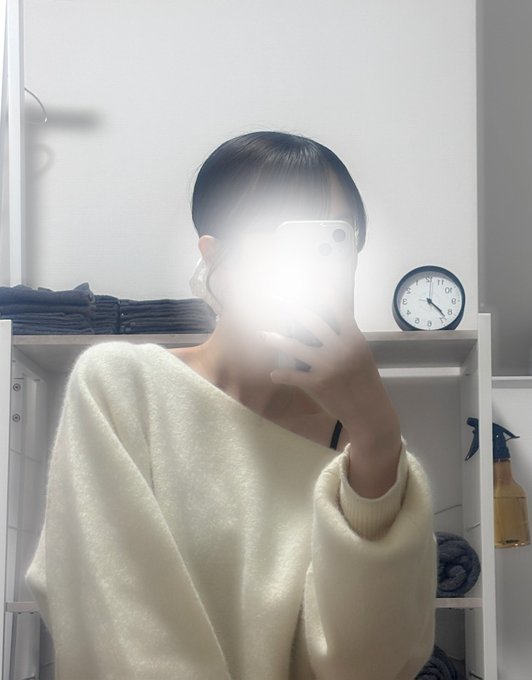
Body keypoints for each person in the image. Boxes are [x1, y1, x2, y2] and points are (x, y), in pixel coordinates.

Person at [25, 130, 437, 679]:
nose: (308, 263)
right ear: (214, 255)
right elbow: (115, 630)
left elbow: (371, 666)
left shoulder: (367, 452)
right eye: (279, 233)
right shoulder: (122, 388)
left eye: (333, 237)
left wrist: (378, 439)